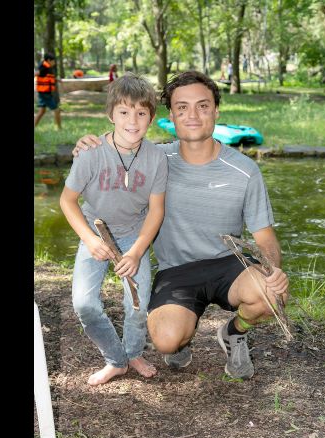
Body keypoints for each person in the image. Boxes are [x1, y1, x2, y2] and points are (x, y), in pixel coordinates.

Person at [73, 71, 289, 379]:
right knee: (166, 341)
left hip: (230, 266)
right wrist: (87, 147)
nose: (192, 115)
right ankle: (182, 338)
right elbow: (116, 148)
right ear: (171, 115)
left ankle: (233, 332)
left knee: (271, 293)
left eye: (202, 106)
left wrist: (273, 270)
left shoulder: (244, 170)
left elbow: (265, 236)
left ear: (216, 110)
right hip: (176, 270)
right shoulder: (154, 160)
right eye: (182, 107)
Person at [60, 73, 168, 386]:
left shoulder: (156, 159)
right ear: (111, 115)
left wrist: (136, 252)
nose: (132, 120)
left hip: (135, 234)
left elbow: (156, 210)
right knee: (83, 303)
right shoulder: (90, 154)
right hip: (95, 234)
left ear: (151, 118)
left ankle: (133, 351)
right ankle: (115, 359)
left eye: (141, 113)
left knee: (137, 303)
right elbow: (68, 201)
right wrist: (90, 240)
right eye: (123, 112)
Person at [34, 53, 61, 129]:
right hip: (44, 93)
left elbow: (46, 77)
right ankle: (59, 128)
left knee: (42, 111)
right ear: (49, 60)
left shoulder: (47, 67)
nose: (54, 63)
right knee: (57, 110)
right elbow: (37, 73)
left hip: (44, 92)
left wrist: (56, 79)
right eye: (53, 61)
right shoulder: (43, 67)